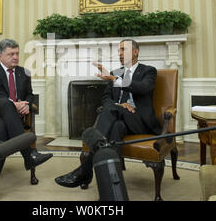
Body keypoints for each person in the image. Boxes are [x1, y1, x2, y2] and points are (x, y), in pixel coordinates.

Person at [54, 39, 161, 188]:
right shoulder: (116, 73)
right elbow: (106, 98)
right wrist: (119, 105)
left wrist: (115, 80)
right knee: (115, 127)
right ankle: (113, 180)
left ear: (136, 51)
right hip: (120, 119)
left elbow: (143, 88)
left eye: (124, 50)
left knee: (111, 110)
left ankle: (84, 171)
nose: (120, 54)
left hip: (140, 121)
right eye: (119, 50)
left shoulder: (148, 71)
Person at [0, 39, 53, 201]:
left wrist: (27, 104)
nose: (15, 57)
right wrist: (13, 104)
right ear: (0, 56)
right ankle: (29, 155)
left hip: (6, 121)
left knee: (0, 127)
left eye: (17, 54)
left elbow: (30, 94)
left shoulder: (24, 72)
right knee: (6, 104)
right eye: (11, 54)